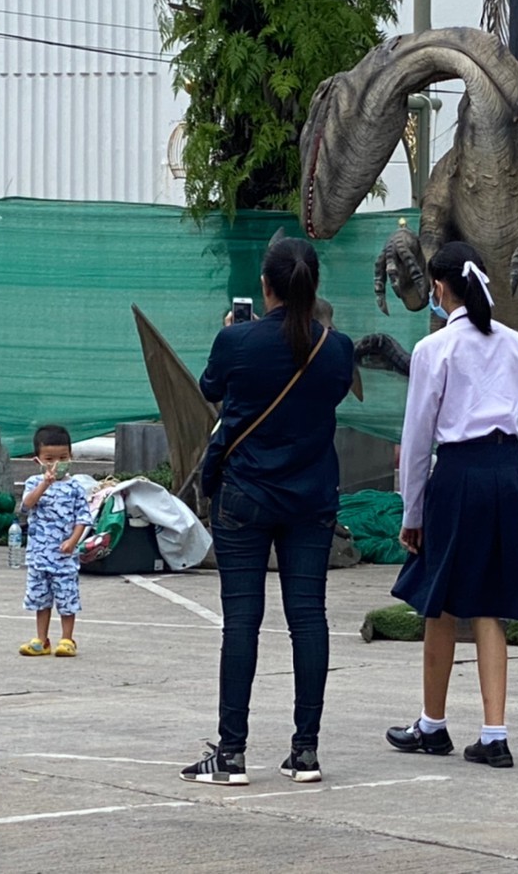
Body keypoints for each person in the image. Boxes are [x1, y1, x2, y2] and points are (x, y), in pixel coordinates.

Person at [385, 241, 518, 770]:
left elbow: (419, 433)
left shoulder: (436, 349)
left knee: (441, 599)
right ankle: (494, 734)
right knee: (490, 601)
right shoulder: (515, 344)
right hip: (509, 473)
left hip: (461, 474)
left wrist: (412, 511)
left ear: (439, 288)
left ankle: (432, 724)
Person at [181, 237, 355, 787]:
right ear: (316, 285)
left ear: (266, 285)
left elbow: (211, 388)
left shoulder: (238, 341)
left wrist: (234, 333)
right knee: (309, 618)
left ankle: (231, 754)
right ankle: (306, 751)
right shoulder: (337, 348)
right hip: (310, 498)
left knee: (242, 623)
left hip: (246, 496)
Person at [17, 424, 90, 658]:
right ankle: (41, 639)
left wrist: (73, 541)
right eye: (49, 458)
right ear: (37, 460)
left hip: (65, 556)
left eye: (63, 458)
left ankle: (67, 639)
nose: (56, 464)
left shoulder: (75, 487)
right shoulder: (32, 483)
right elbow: (26, 505)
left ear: (71, 457)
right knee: (41, 598)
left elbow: (83, 517)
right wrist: (45, 484)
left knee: (67, 596)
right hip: (39, 555)